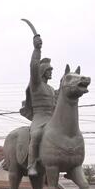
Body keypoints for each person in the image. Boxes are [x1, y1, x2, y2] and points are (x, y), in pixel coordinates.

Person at [20, 34, 57, 176]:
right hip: (39, 119)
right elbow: (33, 66)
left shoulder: (51, 90)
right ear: (43, 72)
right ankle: (31, 165)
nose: (51, 72)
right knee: (36, 135)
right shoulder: (36, 85)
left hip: (52, 119)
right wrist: (37, 50)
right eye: (49, 70)